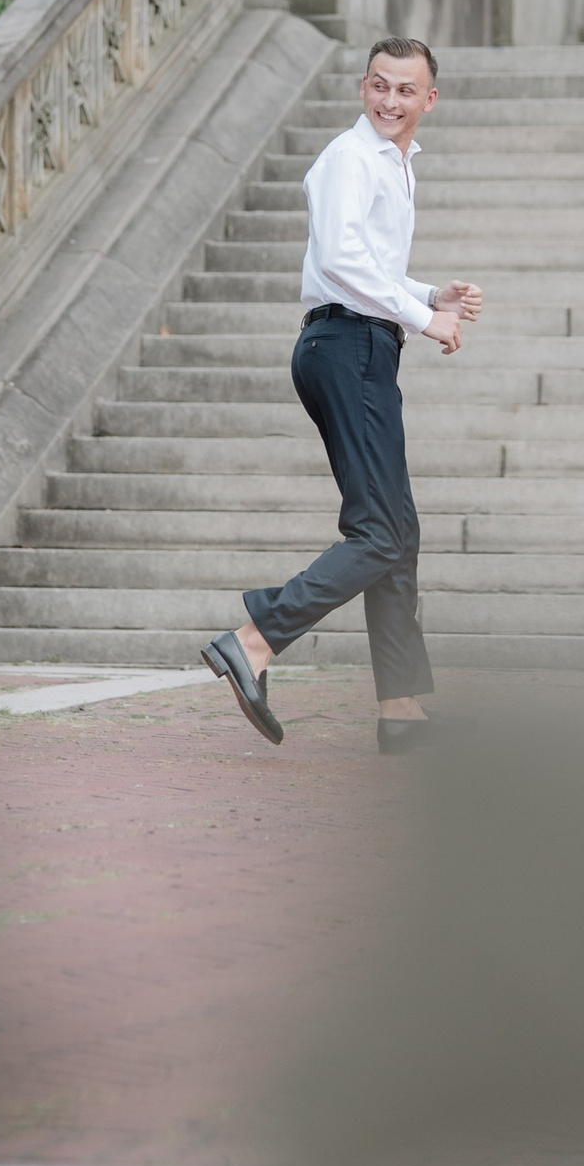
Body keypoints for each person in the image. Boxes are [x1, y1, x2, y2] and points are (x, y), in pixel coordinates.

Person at [201, 36, 481, 755]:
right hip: (345, 348)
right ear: (363, 88)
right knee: (380, 533)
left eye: (405, 90)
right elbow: (339, 263)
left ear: (429, 100)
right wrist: (426, 319)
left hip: (360, 345)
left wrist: (425, 293)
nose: (390, 101)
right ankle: (254, 640)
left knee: (398, 533)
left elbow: (371, 265)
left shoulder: (393, 163)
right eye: (379, 86)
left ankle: (402, 712)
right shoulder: (348, 160)